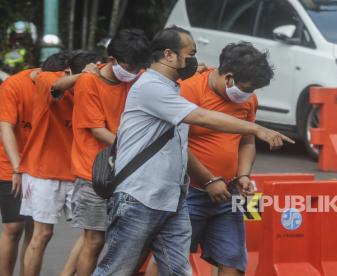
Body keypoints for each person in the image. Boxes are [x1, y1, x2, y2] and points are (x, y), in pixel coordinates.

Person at [93, 25, 293, 276]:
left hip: (171, 198)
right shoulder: (151, 88)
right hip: (139, 197)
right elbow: (201, 117)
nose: (195, 61)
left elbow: (180, 142)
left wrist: (242, 172)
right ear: (169, 55)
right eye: (190, 54)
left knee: (178, 270)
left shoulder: (172, 87)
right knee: (115, 271)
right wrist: (257, 129)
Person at [183, 42, 273, 275]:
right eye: (248, 88)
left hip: (228, 193)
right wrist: (208, 180)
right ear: (229, 78)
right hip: (187, 192)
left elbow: (247, 140)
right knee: (170, 259)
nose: (249, 95)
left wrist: (243, 175)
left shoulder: (247, 100)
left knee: (232, 261)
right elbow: (176, 145)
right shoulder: (189, 90)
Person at [68, 29, 150, 276]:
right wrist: (137, 148)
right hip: (94, 174)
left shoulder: (137, 77)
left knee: (127, 240)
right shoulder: (89, 81)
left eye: (138, 67)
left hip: (127, 173)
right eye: (130, 66)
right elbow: (97, 130)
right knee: (94, 241)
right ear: (111, 59)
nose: (134, 72)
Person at [17, 51, 101, 276]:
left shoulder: (94, 88)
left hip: (78, 172)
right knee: (42, 234)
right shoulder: (47, 78)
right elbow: (51, 82)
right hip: (44, 171)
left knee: (91, 234)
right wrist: (84, 76)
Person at [0, 52, 75, 276]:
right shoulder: (14, 85)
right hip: (12, 160)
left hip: (41, 161)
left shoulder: (66, 89)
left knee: (35, 228)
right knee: (13, 227)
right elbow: (5, 127)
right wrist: (18, 167)